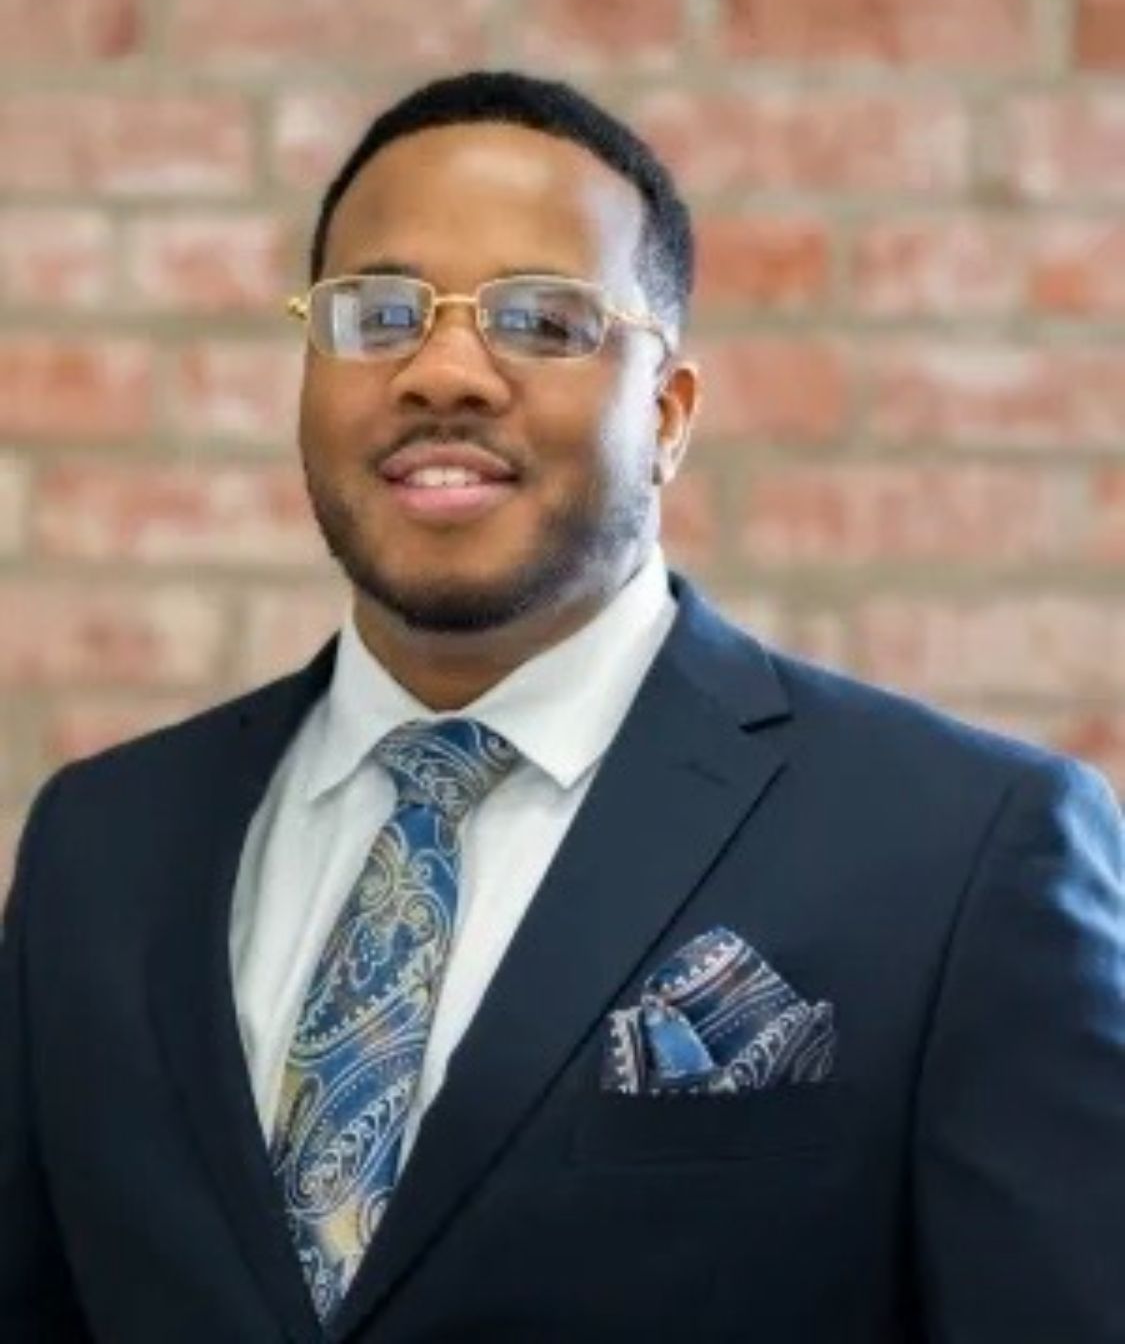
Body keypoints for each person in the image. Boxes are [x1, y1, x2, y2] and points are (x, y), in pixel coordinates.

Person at [2, 69, 1123, 1344]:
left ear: (670, 413)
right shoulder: (103, 846)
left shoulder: (962, 851)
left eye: (542, 320)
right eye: (379, 314)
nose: (444, 372)